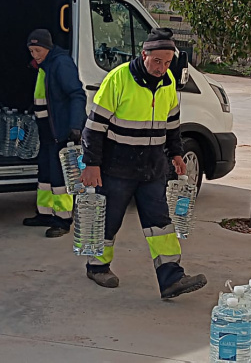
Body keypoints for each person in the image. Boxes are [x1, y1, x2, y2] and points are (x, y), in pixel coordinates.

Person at [80, 28, 208, 299]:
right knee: (108, 221)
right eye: (157, 61)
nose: (162, 68)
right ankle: (97, 266)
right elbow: (94, 126)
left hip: (152, 167)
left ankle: (171, 278)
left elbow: (172, 122)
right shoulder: (118, 79)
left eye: (167, 62)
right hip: (117, 167)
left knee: (160, 223)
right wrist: (91, 164)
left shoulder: (168, 81)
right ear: (144, 54)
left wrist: (176, 153)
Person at [22, 29, 87, 238]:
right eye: (31, 51)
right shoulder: (44, 66)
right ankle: (44, 213)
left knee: (61, 178)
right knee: (46, 175)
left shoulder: (60, 64)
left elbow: (77, 94)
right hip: (47, 131)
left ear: (48, 48)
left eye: (38, 50)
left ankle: (63, 219)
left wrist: (75, 125)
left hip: (60, 130)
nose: (35, 55)